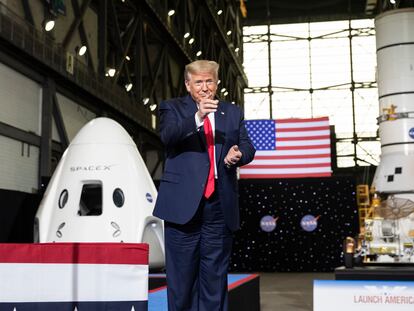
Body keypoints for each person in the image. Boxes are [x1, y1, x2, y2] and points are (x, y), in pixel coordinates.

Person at [153, 60, 255, 311]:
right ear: (188, 85)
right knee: (182, 280)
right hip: (182, 207)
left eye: (209, 81)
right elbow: (167, 137)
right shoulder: (172, 108)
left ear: (217, 83)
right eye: (198, 82)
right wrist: (198, 116)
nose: (205, 87)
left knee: (215, 279)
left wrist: (239, 154)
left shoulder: (232, 112)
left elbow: (248, 146)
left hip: (219, 206)